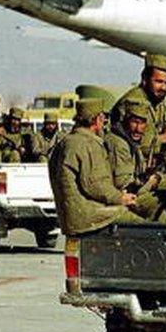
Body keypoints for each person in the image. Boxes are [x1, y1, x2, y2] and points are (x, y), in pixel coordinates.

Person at [48, 98, 145, 236]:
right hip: (90, 216)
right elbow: (95, 185)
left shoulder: (66, 141)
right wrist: (121, 198)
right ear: (97, 119)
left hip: (72, 216)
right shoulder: (88, 144)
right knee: (145, 228)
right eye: (103, 117)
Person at [104, 100, 166, 222]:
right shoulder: (118, 143)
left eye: (142, 123)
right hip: (124, 198)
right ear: (125, 121)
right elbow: (123, 185)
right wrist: (151, 182)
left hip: (132, 193)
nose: (138, 129)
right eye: (134, 122)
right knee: (164, 203)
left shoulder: (130, 141)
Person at [111, 53, 166, 164]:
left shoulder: (156, 100)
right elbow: (140, 146)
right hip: (130, 161)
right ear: (145, 79)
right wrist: (165, 137)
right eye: (158, 82)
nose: (163, 87)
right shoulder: (136, 103)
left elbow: (155, 130)